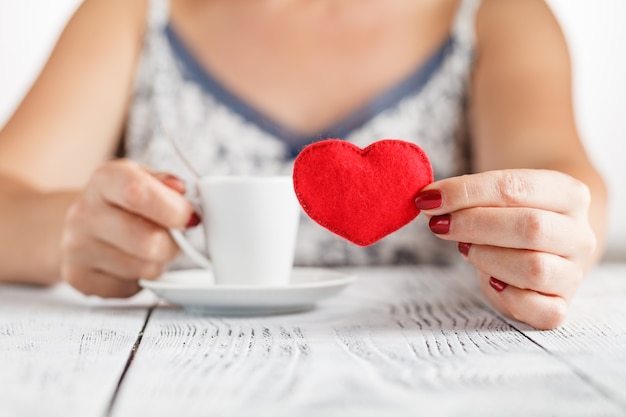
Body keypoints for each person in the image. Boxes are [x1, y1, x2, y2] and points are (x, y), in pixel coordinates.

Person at [0, 0, 606, 330]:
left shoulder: (500, 14)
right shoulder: (130, 13)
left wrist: (549, 231)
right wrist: (73, 230)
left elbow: (561, 175)